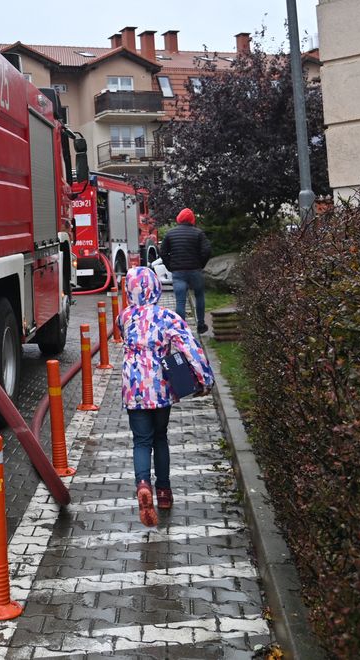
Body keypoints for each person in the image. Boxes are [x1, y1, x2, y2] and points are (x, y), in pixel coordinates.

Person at [120, 266, 215, 528]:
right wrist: (204, 378)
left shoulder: (125, 316)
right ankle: (163, 492)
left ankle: (142, 484)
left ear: (129, 290)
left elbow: (123, 338)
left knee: (141, 440)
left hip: (134, 387)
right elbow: (189, 346)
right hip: (161, 386)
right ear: (157, 288)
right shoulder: (168, 317)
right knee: (160, 437)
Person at [160, 208, 212, 336]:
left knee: (180, 301)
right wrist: (201, 264)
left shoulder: (170, 234)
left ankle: (181, 330)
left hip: (178, 272)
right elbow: (207, 250)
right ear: (192, 219)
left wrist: (170, 266)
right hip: (195, 270)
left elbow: (162, 252)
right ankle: (200, 325)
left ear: (179, 218)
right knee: (199, 296)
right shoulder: (199, 233)